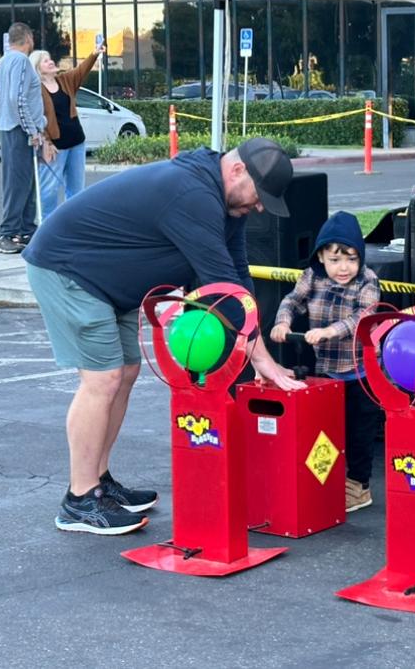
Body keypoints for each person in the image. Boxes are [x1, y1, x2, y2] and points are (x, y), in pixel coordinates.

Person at [23, 137, 303, 535]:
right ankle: (79, 499)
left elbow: (238, 274)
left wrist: (256, 342)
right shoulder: (191, 194)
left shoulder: (226, 201)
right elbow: (220, 286)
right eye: (260, 197)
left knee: (126, 372)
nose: (259, 208)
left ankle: (98, 482)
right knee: (101, 380)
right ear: (238, 170)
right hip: (70, 270)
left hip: (107, 284)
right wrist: (263, 360)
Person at [270, 211, 382, 513]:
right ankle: (326, 479)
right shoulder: (312, 277)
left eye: (351, 259)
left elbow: (364, 316)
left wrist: (330, 331)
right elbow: (291, 300)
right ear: (321, 257)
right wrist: (282, 323)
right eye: (335, 260)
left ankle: (359, 487)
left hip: (360, 373)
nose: (343, 267)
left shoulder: (367, 281)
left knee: (360, 433)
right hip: (327, 374)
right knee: (326, 431)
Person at [29, 41, 105, 219]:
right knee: (48, 191)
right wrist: (46, 142)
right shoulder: (36, 90)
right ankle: (47, 226)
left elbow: (81, 70)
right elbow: (35, 118)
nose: (50, 62)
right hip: (55, 147)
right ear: (38, 68)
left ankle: (73, 227)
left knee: (76, 191)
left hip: (76, 143)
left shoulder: (64, 81)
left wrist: (94, 54)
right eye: (45, 60)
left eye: (50, 59)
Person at [0, 22, 45, 255]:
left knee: (25, 181)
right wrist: (32, 131)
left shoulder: (4, 61)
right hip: (19, 130)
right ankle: (7, 233)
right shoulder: (22, 61)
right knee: (18, 182)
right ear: (28, 38)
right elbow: (18, 99)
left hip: (9, 127)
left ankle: (25, 230)